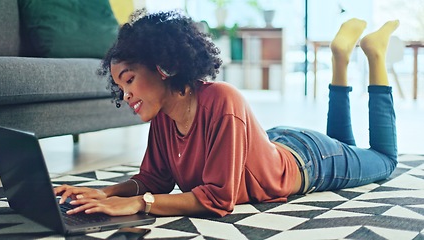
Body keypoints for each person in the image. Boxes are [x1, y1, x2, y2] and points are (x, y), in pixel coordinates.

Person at [54, 9, 399, 218]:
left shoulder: (222, 100)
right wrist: (108, 194)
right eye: (120, 87)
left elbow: (219, 199)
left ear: (164, 66)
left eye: (129, 80)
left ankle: (372, 55)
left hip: (310, 160)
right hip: (269, 145)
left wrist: (141, 205)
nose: (126, 95)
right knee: (347, 145)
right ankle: (341, 58)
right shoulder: (162, 115)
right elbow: (156, 180)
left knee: (384, 161)